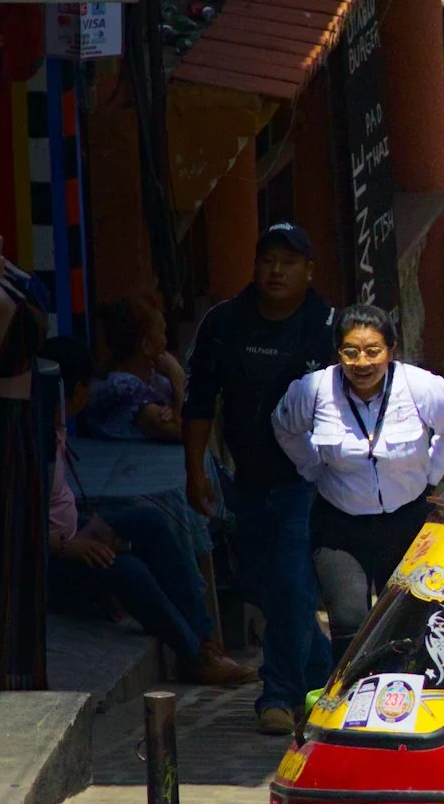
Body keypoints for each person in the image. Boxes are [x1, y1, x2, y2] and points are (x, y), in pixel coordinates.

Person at [183, 223, 337, 737]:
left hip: (307, 481)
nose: (276, 270)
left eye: (289, 262)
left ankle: (278, 695)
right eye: (268, 259)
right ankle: (327, 675)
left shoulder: (327, 326)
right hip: (241, 478)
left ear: (308, 272)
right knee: (268, 590)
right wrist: (194, 471)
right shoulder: (225, 323)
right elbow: (199, 401)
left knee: (294, 581)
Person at [47, 340, 253, 688]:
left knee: (150, 522)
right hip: (50, 554)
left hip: (72, 532)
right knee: (127, 569)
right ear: (77, 391)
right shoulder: (27, 441)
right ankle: (191, 655)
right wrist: (66, 547)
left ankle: (205, 638)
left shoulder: (58, 426)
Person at [274, 302, 444, 646]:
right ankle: (350, 696)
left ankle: (402, 695)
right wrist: (311, 468)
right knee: (348, 620)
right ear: (338, 352)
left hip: (406, 522)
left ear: (391, 349)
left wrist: (433, 471)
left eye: (373, 351)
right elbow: (283, 424)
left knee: (404, 621)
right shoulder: (314, 390)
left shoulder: (418, 386)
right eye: (351, 352)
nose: (362, 363)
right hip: (340, 525)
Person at [81, 295, 185, 442]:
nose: (165, 341)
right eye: (162, 332)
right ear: (146, 344)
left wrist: (176, 408)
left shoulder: (154, 380)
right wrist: (177, 377)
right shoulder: (122, 388)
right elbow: (191, 431)